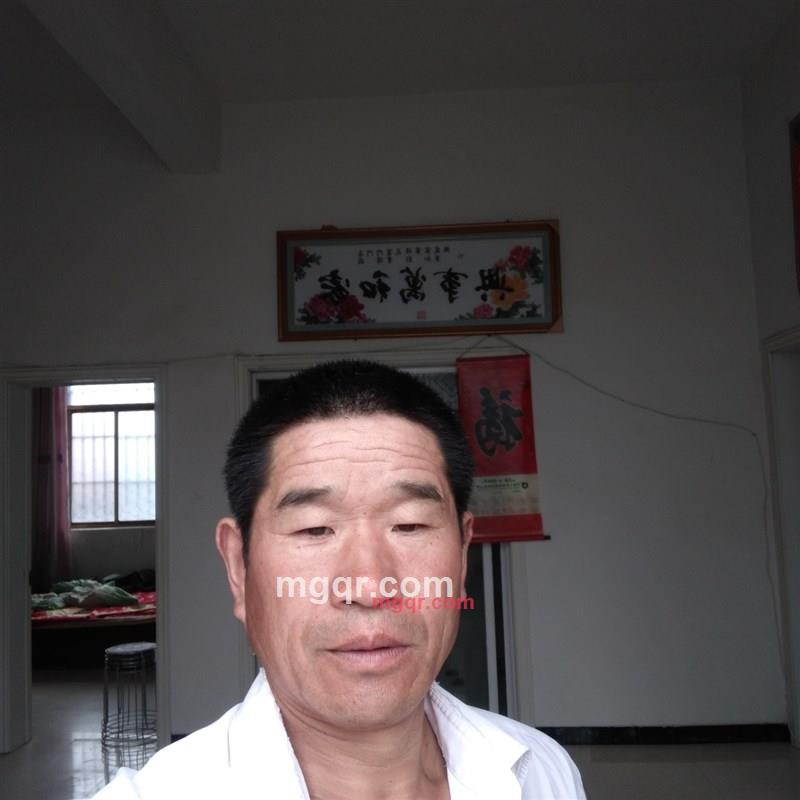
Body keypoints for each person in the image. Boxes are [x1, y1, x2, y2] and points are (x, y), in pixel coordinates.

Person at [94, 360, 586, 799]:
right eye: (315, 529)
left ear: (461, 556)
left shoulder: (541, 772)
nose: (370, 587)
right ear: (239, 569)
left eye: (410, 525)